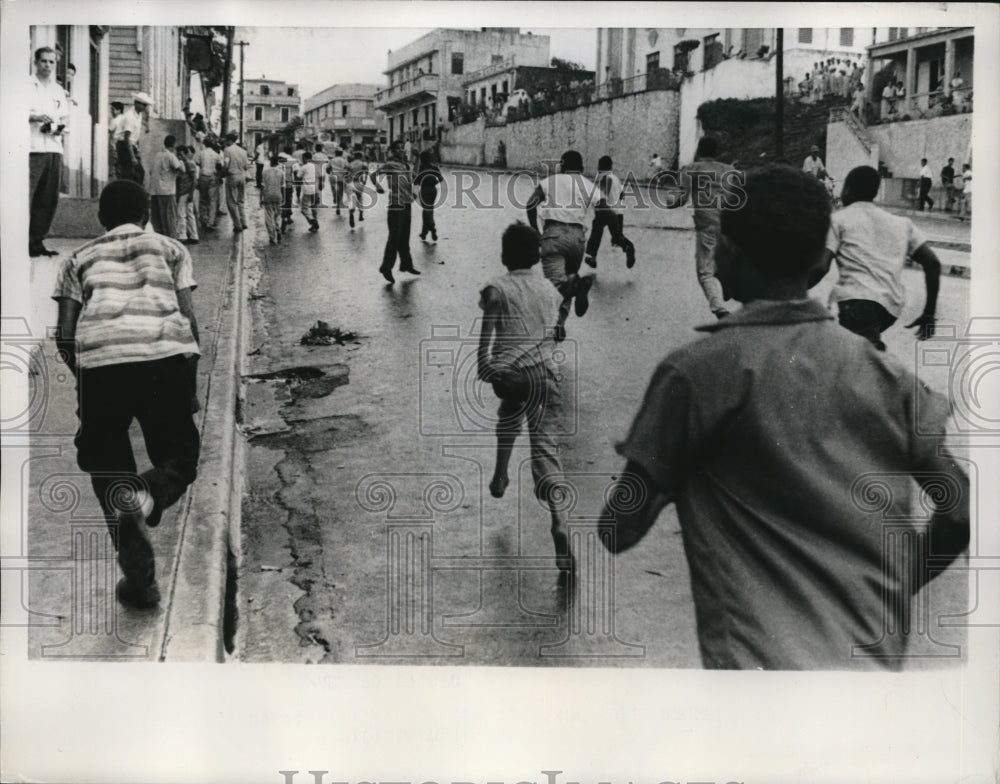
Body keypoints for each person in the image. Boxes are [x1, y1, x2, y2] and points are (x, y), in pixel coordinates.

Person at [600, 164, 969, 670]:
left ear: (726, 250)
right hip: (872, 671)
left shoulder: (696, 374)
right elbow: (957, 511)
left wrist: (664, 465)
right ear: (821, 262)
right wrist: (899, 585)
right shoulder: (890, 378)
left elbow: (618, 528)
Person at [52, 180, 203, 609]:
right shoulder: (171, 249)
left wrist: (88, 382)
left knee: (108, 471)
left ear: (101, 219)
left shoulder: (77, 258)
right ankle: (148, 492)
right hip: (164, 359)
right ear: (145, 216)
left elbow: (65, 336)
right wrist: (187, 384)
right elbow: (189, 323)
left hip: (102, 366)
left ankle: (141, 581)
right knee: (180, 458)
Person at [477, 222, 571, 577]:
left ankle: (500, 476)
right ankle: (560, 521)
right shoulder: (549, 289)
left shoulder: (496, 289)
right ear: (537, 257)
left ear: (504, 256)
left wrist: (485, 369)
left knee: (508, 412)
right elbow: (556, 332)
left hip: (511, 377)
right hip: (544, 376)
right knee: (546, 451)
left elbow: (485, 342)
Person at [821, 165, 942, 350]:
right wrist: (929, 313)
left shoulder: (839, 219)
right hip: (890, 308)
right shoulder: (901, 223)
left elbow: (821, 267)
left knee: (860, 361)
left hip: (857, 302)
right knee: (852, 352)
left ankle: (878, 364)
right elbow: (933, 263)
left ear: (848, 188)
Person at [526, 149, 599, 335]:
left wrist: (535, 230)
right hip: (577, 238)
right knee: (566, 279)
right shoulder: (587, 185)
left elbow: (530, 204)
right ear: (581, 168)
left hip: (554, 235)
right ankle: (559, 322)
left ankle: (558, 317)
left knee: (555, 285)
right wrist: (617, 235)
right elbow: (605, 209)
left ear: (562, 165)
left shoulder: (550, 181)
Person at [668, 136, 740, 319]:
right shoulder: (729, 171)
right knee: (722, 260)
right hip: (728, 224)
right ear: (717, 152)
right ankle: (727, 283)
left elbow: (679, 198)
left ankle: (719, 309)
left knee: (705, 271)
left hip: (706, 224)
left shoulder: (691, 169)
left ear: (699, 151)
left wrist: (670, 201)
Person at [29, 46, 69, 257]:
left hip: (53, 147)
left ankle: (37, 242)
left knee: (48, 197)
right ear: (36, 62)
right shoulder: (25, 86)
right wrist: (35, 117)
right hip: (31, 147)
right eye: (43, 61)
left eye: (51, 62)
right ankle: (20, 240)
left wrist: (57, 127)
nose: (47, 65)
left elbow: (63, 118)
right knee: (28, 196)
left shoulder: (58, 90)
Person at [372, 143, 419, 282]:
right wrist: (378, 186)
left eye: (402, 148)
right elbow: (374, 175)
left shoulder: (405, 165)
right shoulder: (390, 164)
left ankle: (406, 264)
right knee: (394, 237)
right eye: (397, 148)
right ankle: (386, 267)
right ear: (392, 151)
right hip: (396, 204)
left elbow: (415, 177)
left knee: (405, 236)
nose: (401, 150)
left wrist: (418, 159)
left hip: (407, 203)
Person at [584, 155, 636, 270]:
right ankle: (628, 247)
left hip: (606, 211)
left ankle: (592, 257)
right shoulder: (616, 178)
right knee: (617, 238)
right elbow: (623, 195)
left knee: (596, 232)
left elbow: (602, 194)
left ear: (601, 166)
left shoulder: (605, 178)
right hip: (618, 212)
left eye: (598, 165)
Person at [148, 135, 185, 238]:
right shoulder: (170, 156)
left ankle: (160, 240)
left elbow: (151, 171)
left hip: (155, 191)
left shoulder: (157, 155)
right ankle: (171, 241)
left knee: (157, 220)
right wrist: (182, 161)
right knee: (169, 219)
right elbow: (181, 169)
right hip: (167, 191)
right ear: (173, 145)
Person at [115, 92, 153, 183]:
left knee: (139, 173)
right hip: (124, 146)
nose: (144, 107)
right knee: (128, 174)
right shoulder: (130, 117)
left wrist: (136, 150)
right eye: (143, 104)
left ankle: (133, 194)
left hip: (131, 146)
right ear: (136, 103)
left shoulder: (138, 115)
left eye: (145, 105)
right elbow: (127, 138)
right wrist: (132, 157)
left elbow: (135, 136)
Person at [222, 132, 250, 232]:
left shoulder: (227, 150)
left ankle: (237, 224)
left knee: (231, 201)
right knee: (241, 200)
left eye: (226, 140)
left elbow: (226, 164)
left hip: (232, 176)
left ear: (229, 140)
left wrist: (222, 173)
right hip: (242, 176)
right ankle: (244, 222)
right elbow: (247, 166)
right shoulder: (243, 151)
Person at [414, 149, 443, 242]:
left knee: (426, 211)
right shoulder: (434, 167)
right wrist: (434, 182)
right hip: (433, 190)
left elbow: (416, 181)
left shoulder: (421, 168)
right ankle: (424, 232)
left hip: (424, 190)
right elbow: (441, 179)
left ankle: (432, 229)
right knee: (429, 210)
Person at [194, 138, 222, 230]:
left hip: (203, 177)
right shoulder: (215, 154)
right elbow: (219, 167)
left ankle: (203, 220)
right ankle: (211, 222)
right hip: (212, 177)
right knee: (212, 200)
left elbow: (197, 164)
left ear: (204, 144)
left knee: (203, 199)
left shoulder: (201, 153)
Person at [175, 146, 199, 245]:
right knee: (189, 214)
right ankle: (194, 235)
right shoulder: (185, 164)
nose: (179, 156)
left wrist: (191, 193)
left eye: (181, 154)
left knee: (181, 214)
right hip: (186, 191)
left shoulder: (189, 164)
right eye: (178, 154)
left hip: (185, 191)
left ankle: (183, 235)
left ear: (185, 154)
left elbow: (194, 180)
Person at [259, 153, 285, 245]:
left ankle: (272, 237)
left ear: (270, 162)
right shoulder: (281, 172)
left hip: (268, 196)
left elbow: (262, 186)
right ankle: (278, 228)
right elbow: (282, 186)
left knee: (269, 218)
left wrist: (260, 198)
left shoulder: (265, 172)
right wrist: (283, 197)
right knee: (278, 215)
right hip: (278, 195)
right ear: (277, 162)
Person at [295, 151, 319, 232]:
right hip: (315, 189)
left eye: (303, 158)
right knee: (314, 207)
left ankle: (312, 221)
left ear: (305, 158)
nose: (302, 160)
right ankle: (315, 223)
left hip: (307, 189)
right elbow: (321, 176)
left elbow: (298, 177)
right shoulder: (316, 166)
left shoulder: (304, 167)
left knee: (304, 209)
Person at [346, 149, 368, 229]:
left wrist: (347, 181)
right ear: (361, 157)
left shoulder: (350, 164)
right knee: (360, 199)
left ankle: (351, 213)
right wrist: (365, 180)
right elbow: (366, 173)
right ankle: (361, 214)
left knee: (351, 201)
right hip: (359, 183)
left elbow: (346, 174)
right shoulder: (363, 164)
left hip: (350, 183)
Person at [326, 147, 348, 217]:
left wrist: (330, 172)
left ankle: (334, 196)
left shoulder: (331, 160)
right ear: (341, 154)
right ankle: (338, 206)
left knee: (333, 188)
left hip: (333, 176)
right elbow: (347, 168)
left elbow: (327, 169)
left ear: (335, 154)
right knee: (340, 192)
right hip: (341, 177)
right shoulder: (344, 160)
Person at [279, 147, 296, 231]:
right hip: (289, 184)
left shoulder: (280, 157)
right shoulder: (292, 161)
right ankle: (288, 216)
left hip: (280, 185)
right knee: (288, 200)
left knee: (281, 201)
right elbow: (296, 173)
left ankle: (282, 217)